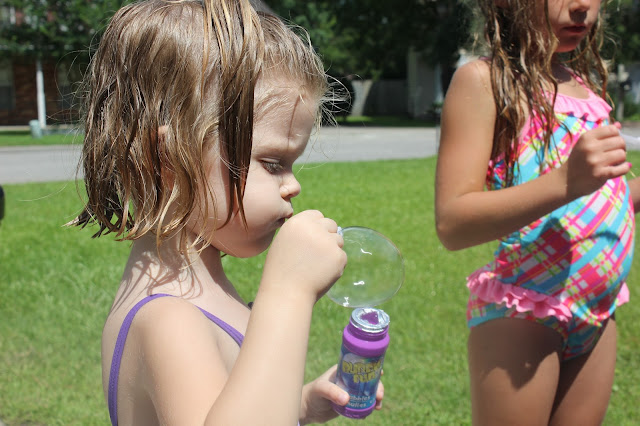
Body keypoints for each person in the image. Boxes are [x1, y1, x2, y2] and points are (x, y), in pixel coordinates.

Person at [72, 1, 383, 424]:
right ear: (168, 159)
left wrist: (302, 404)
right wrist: (287, 293)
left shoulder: (201, 289)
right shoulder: (169, 320)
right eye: (272, 163)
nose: (292, 185)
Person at [435, 0, 639, 425]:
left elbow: (605, 198)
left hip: (598, 313)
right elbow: (453, 223)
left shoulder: (585, 87)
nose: (582, 5)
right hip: (524, 315)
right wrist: (566, 181)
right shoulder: (484, 81)